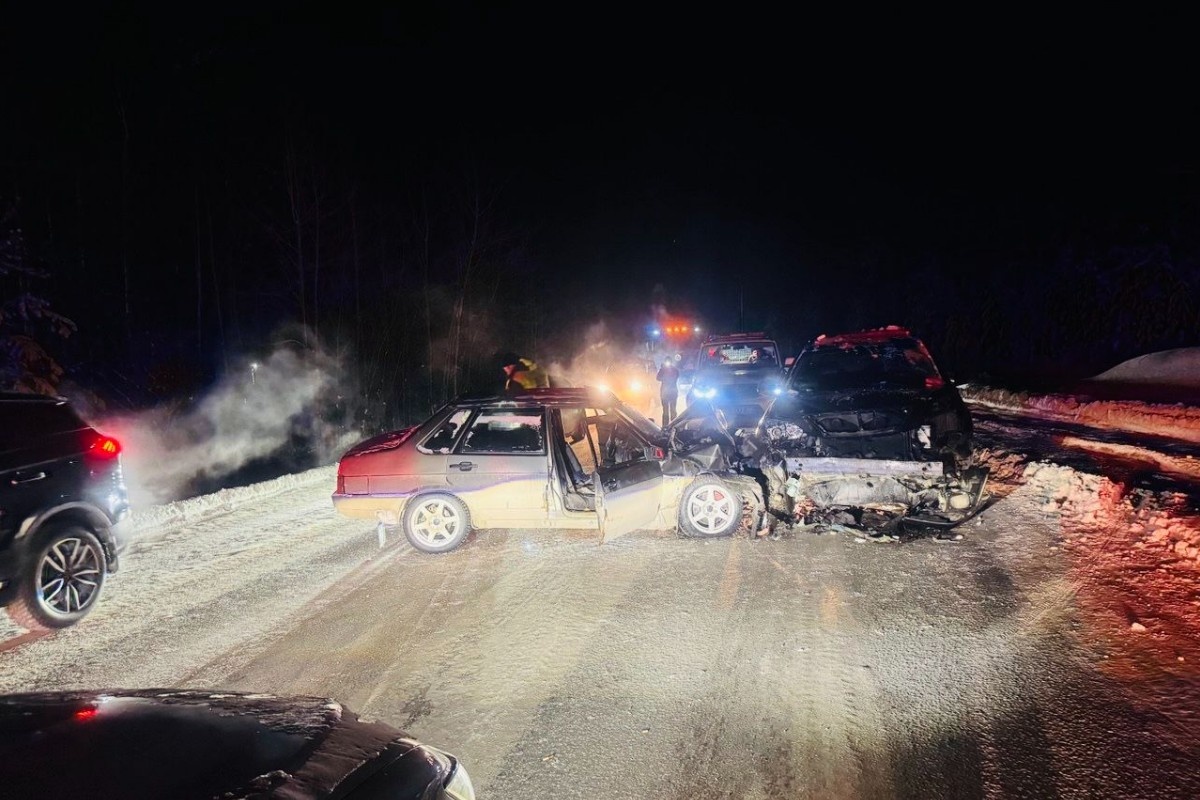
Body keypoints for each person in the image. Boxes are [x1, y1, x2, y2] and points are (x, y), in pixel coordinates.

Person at [656, 356, 680, 427]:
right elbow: (657, 378)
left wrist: (667, 378)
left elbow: (676, 377)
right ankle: (665, 427)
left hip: (672, 392)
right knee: (665, 411)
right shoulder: (662, 370)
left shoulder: (675, 370)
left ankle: (674, 426)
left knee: (673, 410)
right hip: (665, 393)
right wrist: (662, 371)